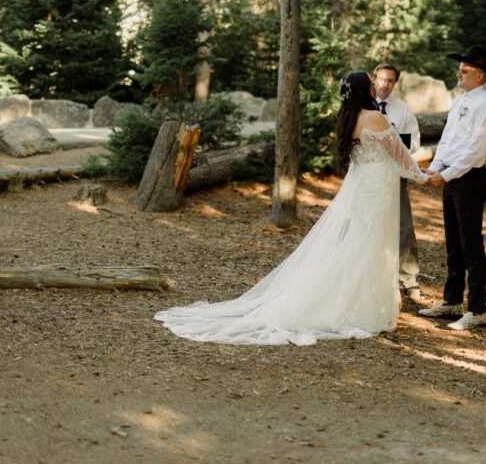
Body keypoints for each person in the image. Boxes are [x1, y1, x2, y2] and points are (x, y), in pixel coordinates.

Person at [155, 71, 428, 346]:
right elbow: (402, 158)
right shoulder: (375, 118)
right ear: (363, 90)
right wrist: (426, 177)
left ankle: (358, 300)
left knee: (360, 242)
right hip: (377, 188)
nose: (374, 87)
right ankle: (365, 307)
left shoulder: (349, 118)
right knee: (374, 243)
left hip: (364, 187)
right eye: (370, 84)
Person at [419, 46, 486, 331]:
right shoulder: (461, 101)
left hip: (470, 179)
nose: (459, 74)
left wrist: (448, 174)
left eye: (465, 70)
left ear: (480, 76)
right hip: (452, 177)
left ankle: (478, 309)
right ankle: (452, 301)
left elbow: (475, 151)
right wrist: (436, 167)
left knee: (470, 244)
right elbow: (448, 140)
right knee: (453, 244)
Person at [372, 62, 424, 304]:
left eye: (390, 80)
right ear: (373, 80)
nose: (385, 84)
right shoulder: (363, 107)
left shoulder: (402, 109)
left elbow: (413, 141)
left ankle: (409, 278)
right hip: (369, 175)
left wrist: (394, 143)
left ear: (395, 83)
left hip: (395, 175)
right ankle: (374, 276)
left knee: (403, 225)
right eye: (381, 79)